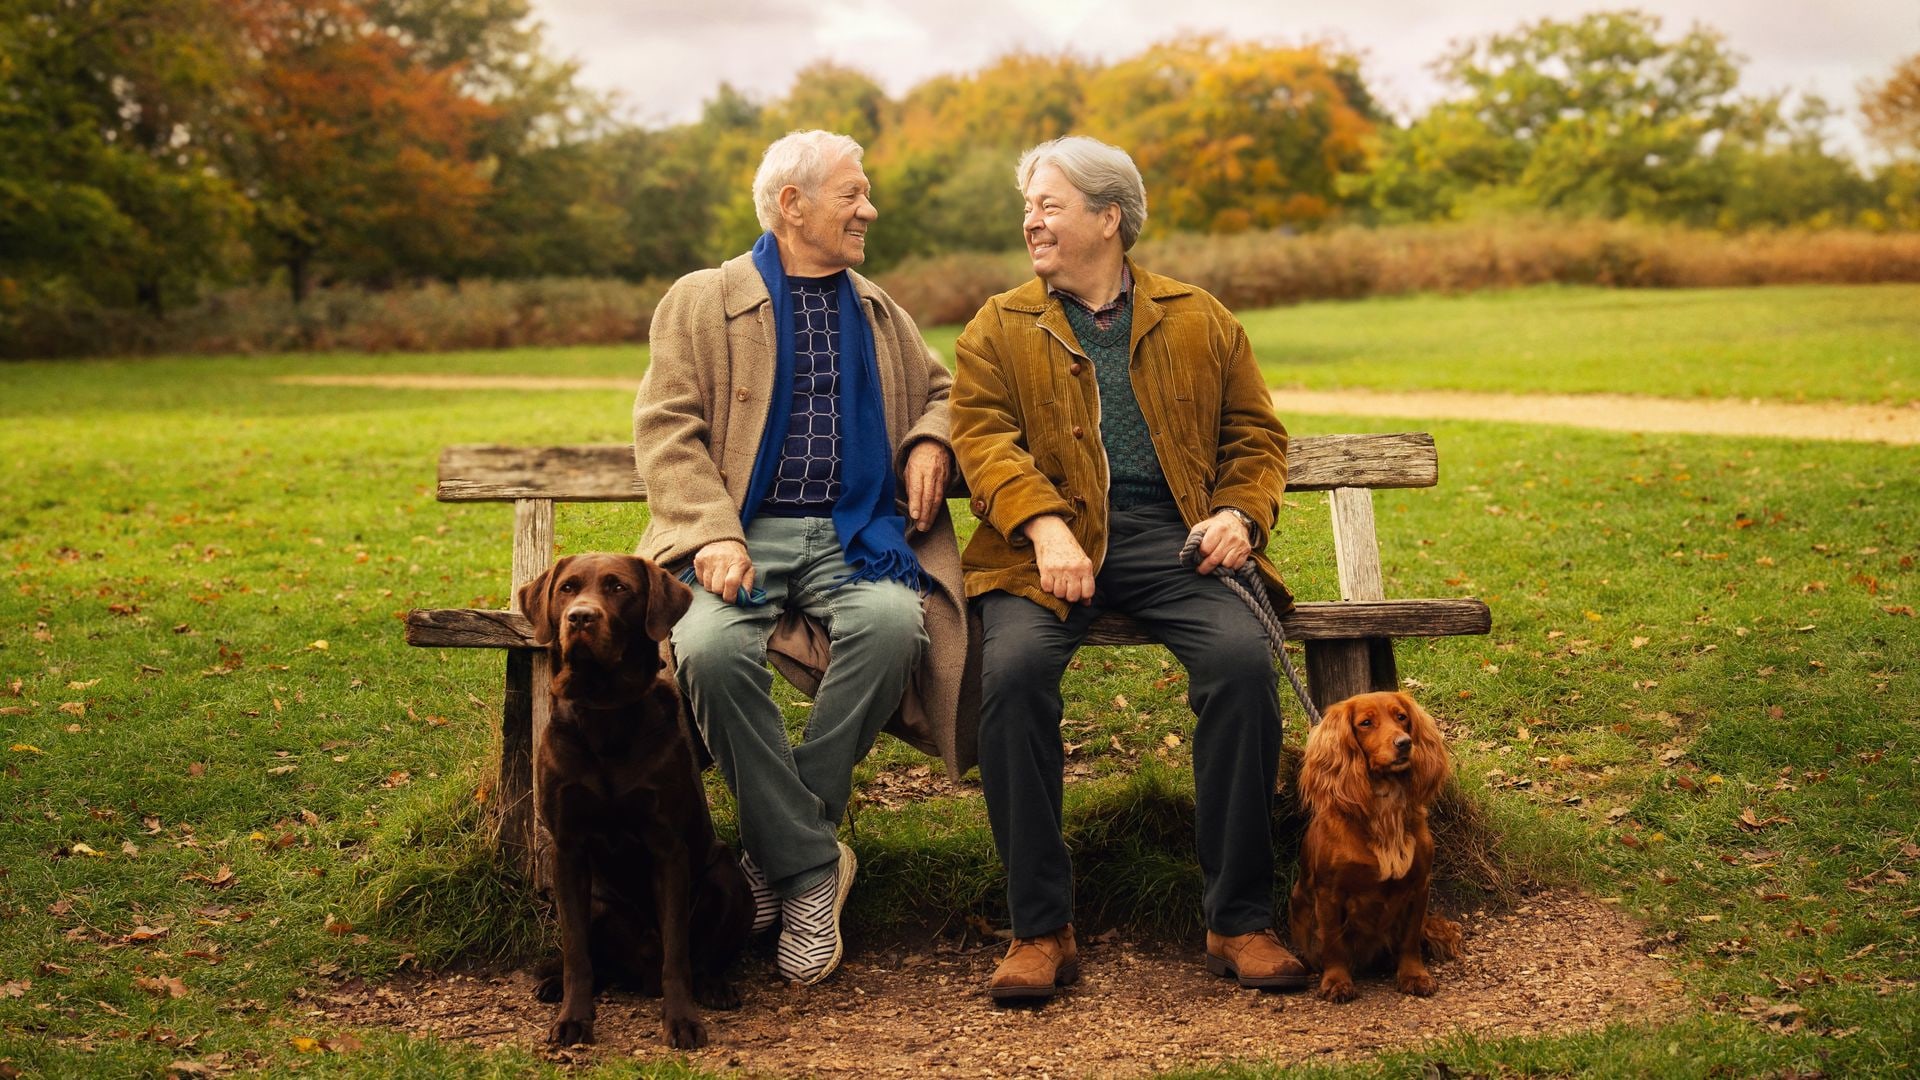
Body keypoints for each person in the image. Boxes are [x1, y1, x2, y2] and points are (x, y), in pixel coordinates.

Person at [951, 135, 1306, 1002]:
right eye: (1029, 205)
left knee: (1239, 664)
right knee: (1016, 675)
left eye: (1051, 204)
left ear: (1110, 218)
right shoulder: (999, 326)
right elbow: (982, 440)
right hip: (1050, 547)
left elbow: (1255, 439)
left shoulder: (1199, 316)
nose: (1032, 220)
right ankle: (1040, 927)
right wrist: (1042, 524)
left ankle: (1239, 917)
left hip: (1173, 538)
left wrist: (1238, 515)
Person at [633, 129, 971, 986]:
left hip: (858, 532)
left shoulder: (876, 308)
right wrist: (711, 531)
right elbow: (667, 429)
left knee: (897, 625)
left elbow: (943, 391)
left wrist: (932, 440)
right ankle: (814, 866)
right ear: (794, 205)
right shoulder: (704, 299)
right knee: (705, 649)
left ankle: (785, 855)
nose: (870, 209)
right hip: (741, 530)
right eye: (853, 193)